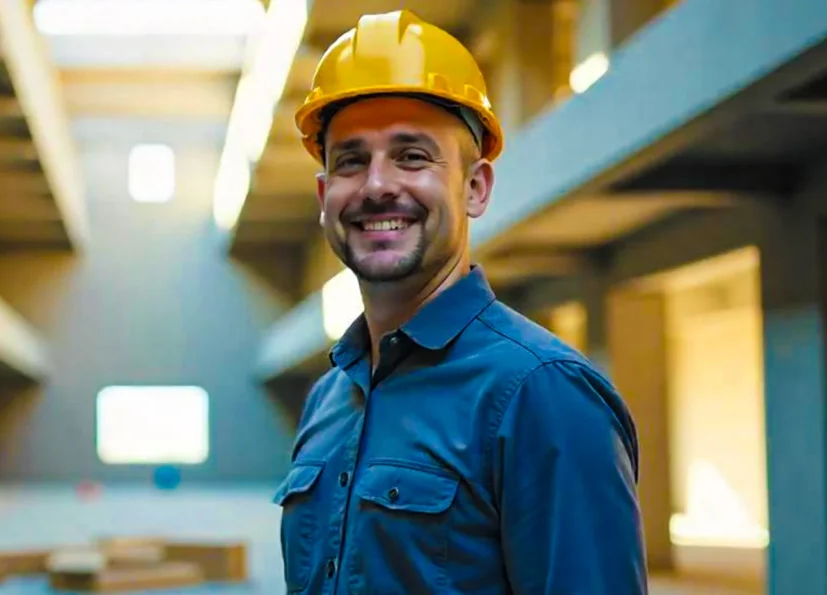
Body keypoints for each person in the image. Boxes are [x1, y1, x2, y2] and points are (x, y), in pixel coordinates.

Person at [273, 9, 647, 594]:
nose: (376, 186)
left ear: (475, 188)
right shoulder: (330, 397)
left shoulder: (542, 393)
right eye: (350, 160)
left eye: (412, 156)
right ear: (325, 195)